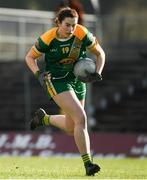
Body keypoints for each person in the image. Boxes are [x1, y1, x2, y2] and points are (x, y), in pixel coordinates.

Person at [25, 7, 105, 176]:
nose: (71, 29)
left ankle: (43, 119)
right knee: (81, 118)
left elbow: (100, 54)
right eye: (67, 25)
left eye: (74, 25)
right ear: (58, 23)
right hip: (57, 81)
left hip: (77, 80)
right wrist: (39, 74)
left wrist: (98, 72)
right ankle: (88, 164)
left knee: (71, 126)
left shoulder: (81, 33)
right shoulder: (48, 38)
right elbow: (29, 57)